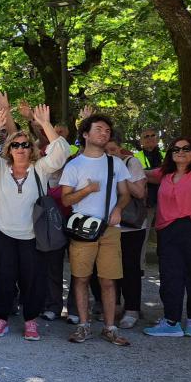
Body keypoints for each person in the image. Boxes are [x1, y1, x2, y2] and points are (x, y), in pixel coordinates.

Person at [0, 104, 68, 340]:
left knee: (33, 280)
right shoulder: (0, 168)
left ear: (31, 149)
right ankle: (1, 318)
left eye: (25, 144)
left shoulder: (41, 169)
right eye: (15, 144)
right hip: (3, 234)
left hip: (33, 236)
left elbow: (61, 152)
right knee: (3, 278)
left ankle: (31, 320)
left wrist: (45, 124)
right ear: (9, 149)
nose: (21, 148)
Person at [60, 114, 133, 345]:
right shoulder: (74, 165)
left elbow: (126, 194)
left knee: (109, 280)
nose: (104, 133)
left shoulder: (116, 163)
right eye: (99, 129)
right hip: (82, 229)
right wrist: (88, 190)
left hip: (110, 229)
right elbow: (65, 200)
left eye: (107, 131)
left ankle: (109, 328)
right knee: (81, 279)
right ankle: (84, 326)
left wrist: (119, 209)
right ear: (85, 134)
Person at [143, 137, 191, 337]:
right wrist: (125, 159)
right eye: (175, 148)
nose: (180, 151)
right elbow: (144, 174)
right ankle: (171, 321)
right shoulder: (165, 174)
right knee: (170, 276)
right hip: (168, 231)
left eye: (186, 148)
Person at [103, 137, 148, 329]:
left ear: (121, 149)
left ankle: (132, 309)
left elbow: (140, 193)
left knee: (130, 268)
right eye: (106, 151)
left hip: (131, 226)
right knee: (111, 268)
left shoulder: (131, 163)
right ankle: (116, 306)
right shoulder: (98, 164)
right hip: (109, 225)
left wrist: (120, 170)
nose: (110, 153)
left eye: (113, 149)